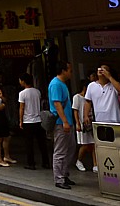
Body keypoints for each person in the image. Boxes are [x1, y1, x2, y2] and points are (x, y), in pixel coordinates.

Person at [84, 64, 120, 172]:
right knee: (102, 146)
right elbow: (88, 102)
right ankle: (104, 167)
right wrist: (85, 115)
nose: (101, 70)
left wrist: (109, 77)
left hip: (115, 121)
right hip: (100, 122)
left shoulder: (113, 84)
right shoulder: (91, 86)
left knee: (116, 146)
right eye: (100, 68)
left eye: (105, 69)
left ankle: (118, 167)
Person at [48, 61, 76, 190]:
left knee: (70, 149)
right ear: (63, 70)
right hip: (61, 123)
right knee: (60, 151)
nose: (71, 73)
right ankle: (59, 178)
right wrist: (64, 121)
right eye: (69, 70)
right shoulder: (56, 84)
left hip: (67, 122)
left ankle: (64, 174)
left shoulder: (62, 84)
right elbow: (57, 103)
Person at [17, 73, 49, 170]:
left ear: (23, 81)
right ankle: (46, 162)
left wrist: (20, 120)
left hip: (28, 121)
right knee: (42, 143)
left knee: (29, 144)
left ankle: (31, 163)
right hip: (38, 120)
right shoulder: (37, 92)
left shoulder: (22, 94)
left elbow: (21, 108)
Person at [72, 80, 95, 172]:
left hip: (90, 123)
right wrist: (78, 123)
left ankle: (95, 164)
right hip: (82, 124)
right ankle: (79, 160)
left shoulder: (90, 98)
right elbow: (75, 111)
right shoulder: (77, 97)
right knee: (85, 145)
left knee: (93, 144)